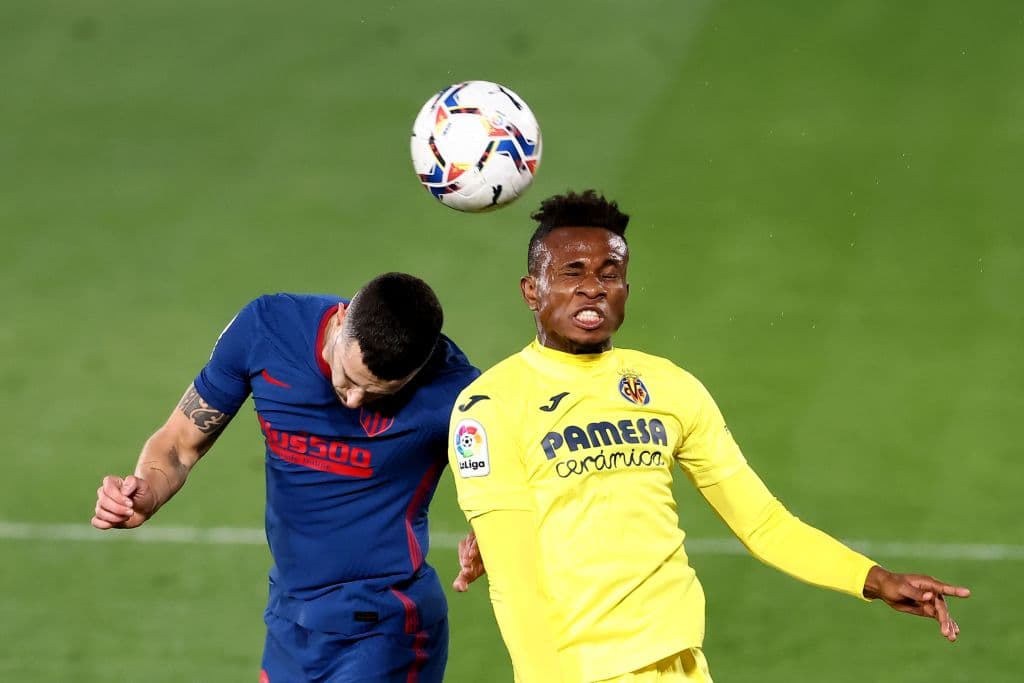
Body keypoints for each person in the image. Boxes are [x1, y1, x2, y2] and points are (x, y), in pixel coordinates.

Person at [447, 191, 971, 682]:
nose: (594, 287)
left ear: (627, 289)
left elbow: (763, 523)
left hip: (682, 662)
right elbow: (515, 582)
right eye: (572, 273)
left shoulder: (669, 386)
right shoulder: (491, 406)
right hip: (583, 670)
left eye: (612, 273)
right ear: (531, 290)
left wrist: (877, 580)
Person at [92, 272, 481, 683]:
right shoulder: (268, 330)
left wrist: (489, 536)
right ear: (340, 318)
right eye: (348, 377)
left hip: (384, 630)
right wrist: (146, 490)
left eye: (376, 393)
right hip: (291, 620)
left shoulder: (457, 392)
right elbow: (178, 443)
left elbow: (514, 484)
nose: (352, 400)